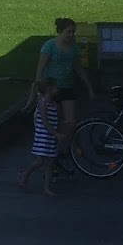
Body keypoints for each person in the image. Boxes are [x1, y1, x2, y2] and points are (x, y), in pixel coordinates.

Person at [36, 17, 95, 175]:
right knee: (53, 121)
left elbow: (79, 69)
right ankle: (51, 156)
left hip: (68, 87)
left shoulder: (73, 48)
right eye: (68, 32)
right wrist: (39, 90)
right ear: (60, 32)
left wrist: (89, 88)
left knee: (71, 122)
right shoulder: (49, 46)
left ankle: (59, 150)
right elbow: (40, 70)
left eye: (73, 33)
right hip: (52, 89)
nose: (71, 35)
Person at [19, 77, 61, 196]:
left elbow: (55, 120)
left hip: (51, 137)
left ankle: (46, 187)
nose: (58, 89)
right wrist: (56, 133)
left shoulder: (53, 104)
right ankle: (26, 173)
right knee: (42, 161)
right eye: (55, 87)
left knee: (50, 163)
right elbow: (44, 122)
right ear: (49, 88)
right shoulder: (43, 104)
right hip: (43, 137)